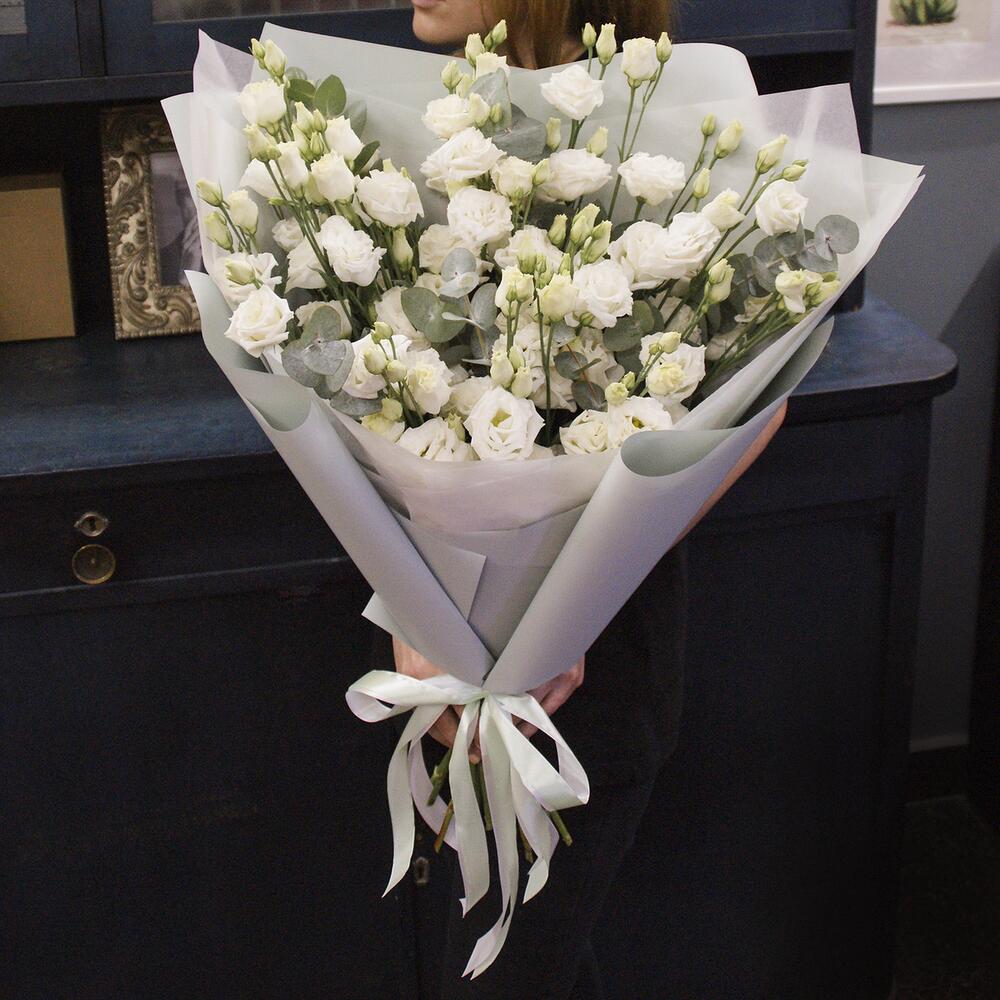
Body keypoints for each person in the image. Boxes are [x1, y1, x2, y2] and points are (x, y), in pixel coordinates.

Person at [385, 3, 789, 996]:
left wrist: (568, 602)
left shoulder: (671, 126)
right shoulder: (423, 122)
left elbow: (759, 401)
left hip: (594, 658)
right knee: (521, 956)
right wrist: (415, 608)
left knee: (521, 954)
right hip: (440, 650)